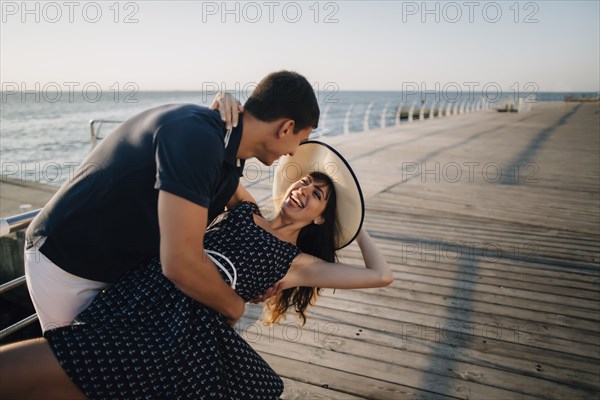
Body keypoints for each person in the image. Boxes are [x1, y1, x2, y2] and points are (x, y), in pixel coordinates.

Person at [0, 141, 393, 399]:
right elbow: (222, 156)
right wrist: (225, 112)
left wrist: (357, 228)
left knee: (41, 371)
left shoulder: (296, 264)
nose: (303, 190)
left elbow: (380, 276)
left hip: (180, 340)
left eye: (317, 194)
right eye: (304, 182)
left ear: (322, 218)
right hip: (136, 302)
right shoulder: (245, 208)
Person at [23, 70, 320, 333]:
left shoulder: (227, 149)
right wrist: (235, 306)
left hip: (122, 274)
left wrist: (262, 272)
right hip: (66, 264)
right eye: (300, 140)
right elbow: (179, 263)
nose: (294, 152)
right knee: (72, 377)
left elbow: (248, 212)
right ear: (285, 128)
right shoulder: (198, 138)